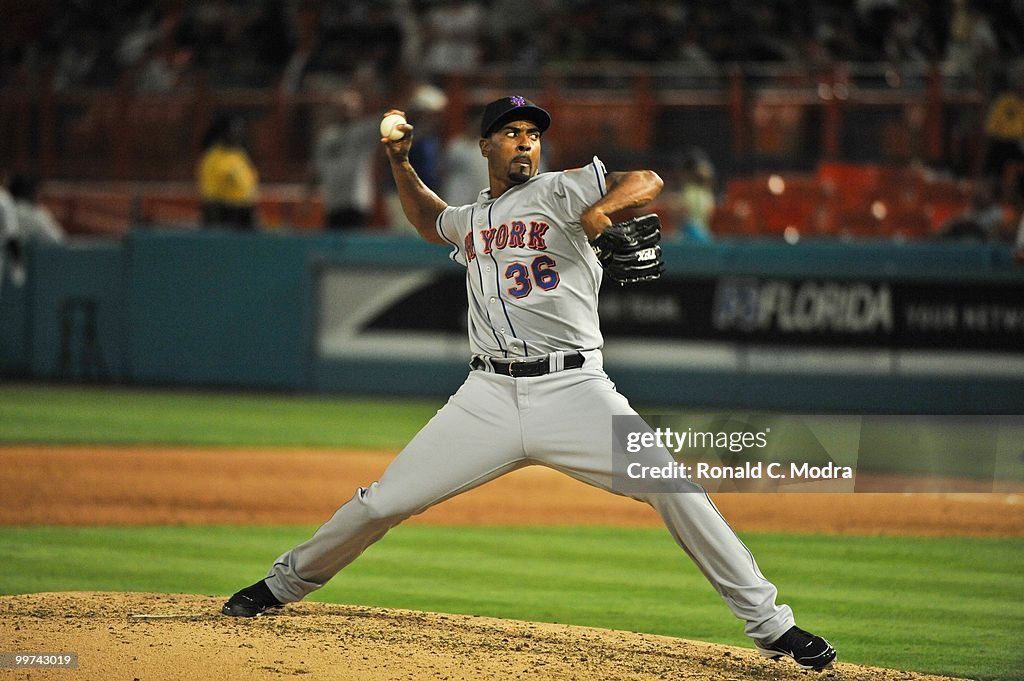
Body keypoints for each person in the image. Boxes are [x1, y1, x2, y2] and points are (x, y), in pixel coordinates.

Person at [222, 96, 837, 672]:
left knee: (674, 488)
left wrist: (599, 212)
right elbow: (429, 218)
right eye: (512, 134)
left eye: (533, 135)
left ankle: (771, 624)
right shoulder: (474, 218)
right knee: (382, 503)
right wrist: (399, 161)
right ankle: (281, 585)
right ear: (485, 146)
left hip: (575, 392)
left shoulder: (560, 190)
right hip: (485, 397)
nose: (525, 143)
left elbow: (647, 179)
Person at [311, 89, 380, 230]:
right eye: (343, 106)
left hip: (355, 204)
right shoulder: (327, 137)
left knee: (355, 248)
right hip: (333, 204)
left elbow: (391, 118)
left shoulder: (363, 132)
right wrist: (306, 199)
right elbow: (316, 170)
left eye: (351, 106)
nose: (347, 111)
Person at [196, 115, 259, 229]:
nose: (237, 135)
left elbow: (249, 180)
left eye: (240, 131)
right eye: (233, 131)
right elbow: (209, 188)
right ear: (224, 133)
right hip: (222, 212)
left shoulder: (240, 154)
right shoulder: (213, 156)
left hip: (244, 211)